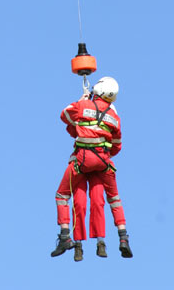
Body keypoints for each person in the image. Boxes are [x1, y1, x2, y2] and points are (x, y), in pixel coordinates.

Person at [51, 77, 133, 261]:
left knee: (64, 196)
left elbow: (65, 115)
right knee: (111, 199)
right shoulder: (115, 118)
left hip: (82, 161)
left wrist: (81, 101)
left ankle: (66, 236)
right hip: (103, 163)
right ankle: (123, 237)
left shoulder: (83, 106)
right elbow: (117, 146)